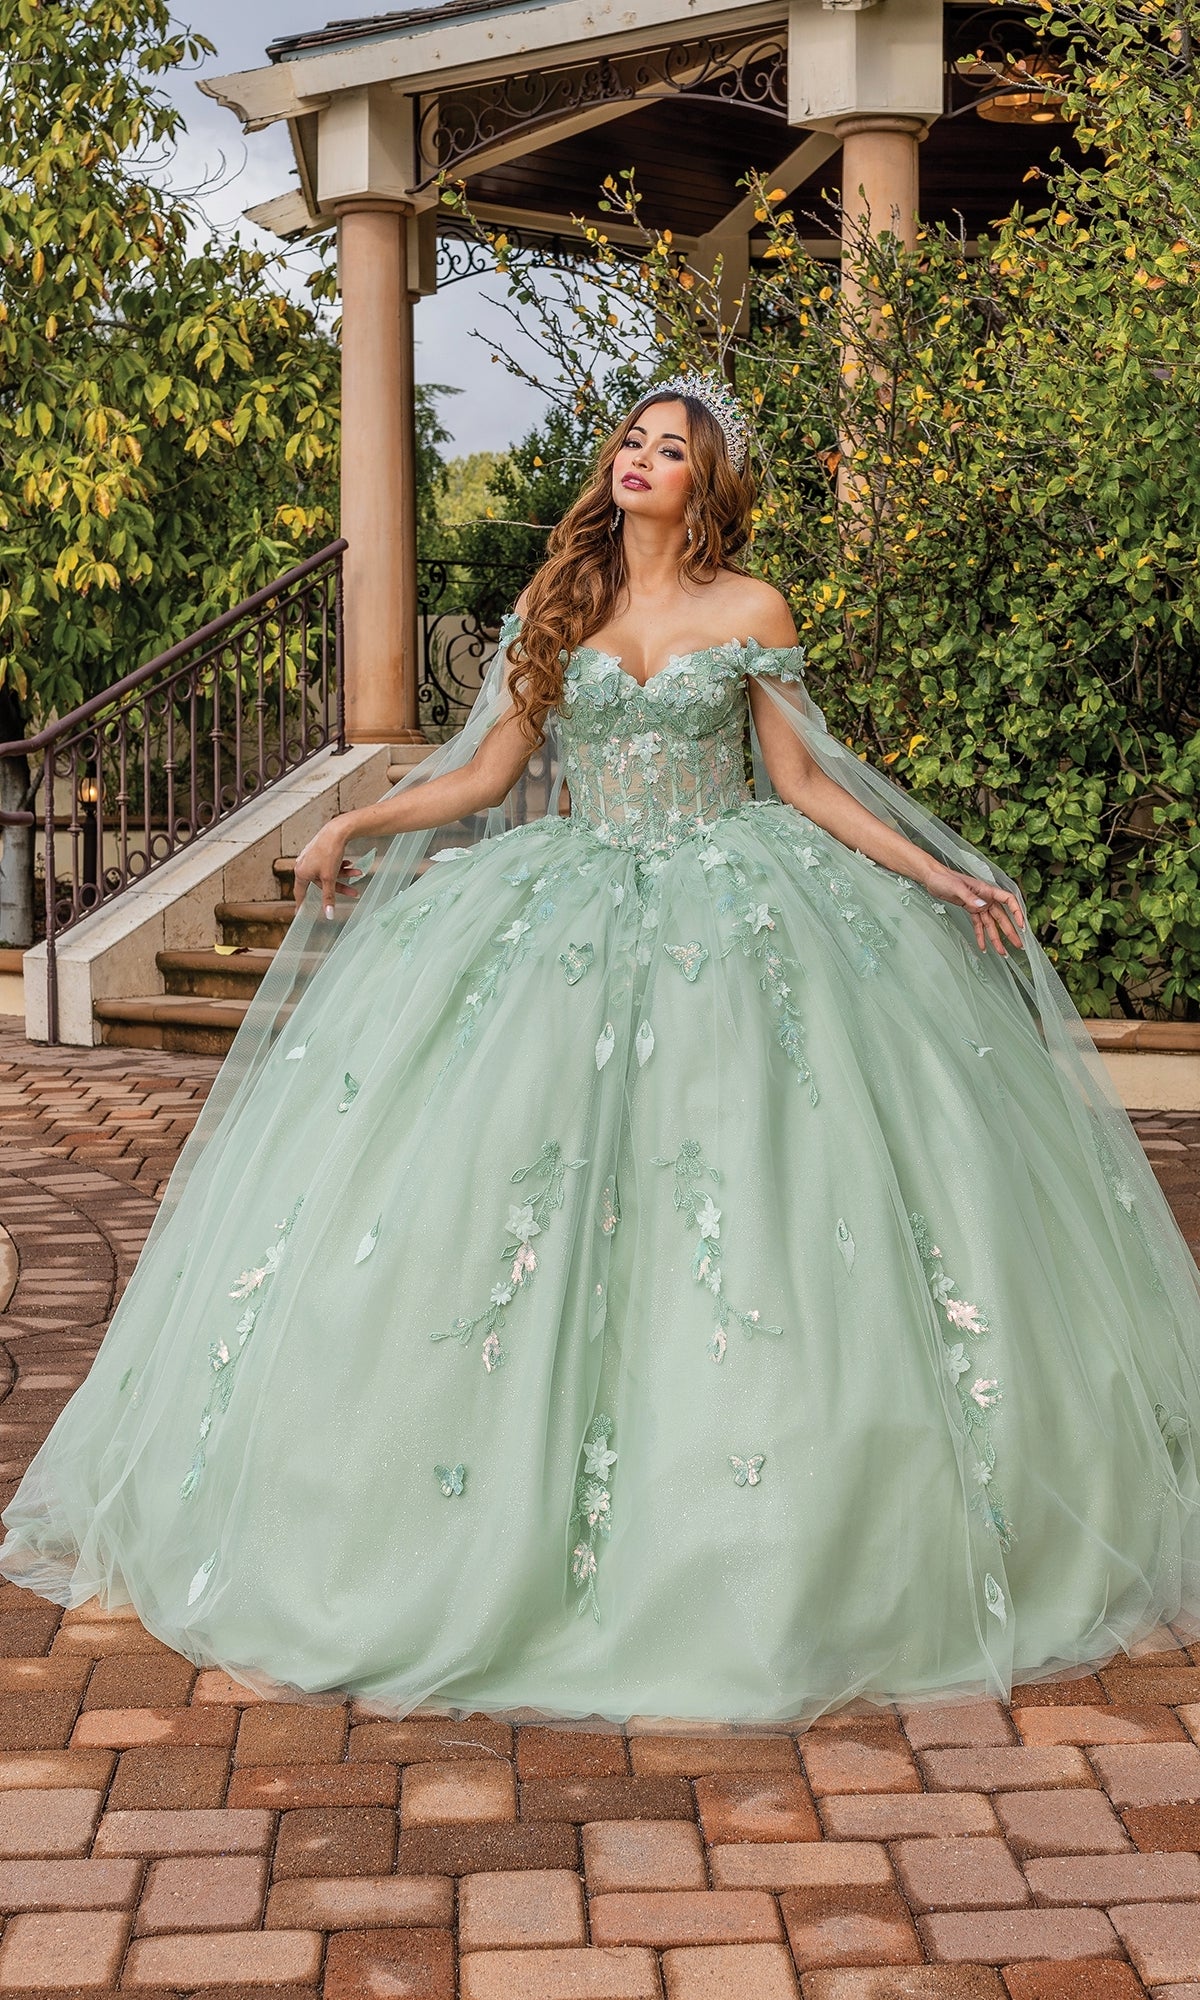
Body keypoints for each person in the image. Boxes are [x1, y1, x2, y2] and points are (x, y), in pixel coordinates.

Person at [3, 372, 1200, 1730]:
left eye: (670, 447)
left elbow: (803, 785)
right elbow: (482, 777)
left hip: (738, 924)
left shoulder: (750, 612)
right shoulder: (555, 605)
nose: (640, 458)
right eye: (631, 438)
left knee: (753, 1182)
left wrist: (939, 875)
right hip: (565, 914)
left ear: (710, 483)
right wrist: (357, 828)